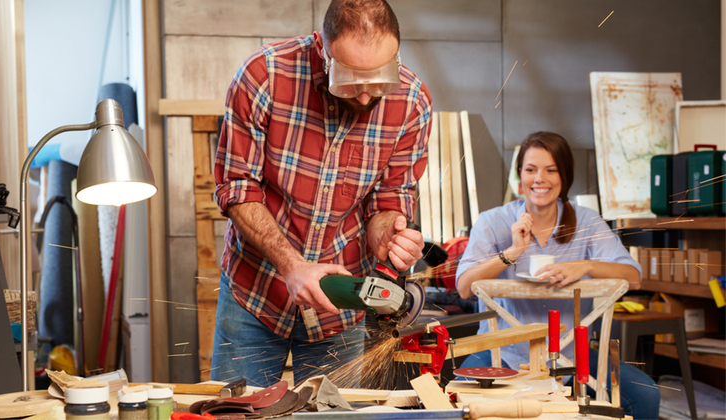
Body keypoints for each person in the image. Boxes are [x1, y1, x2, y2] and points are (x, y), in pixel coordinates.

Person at [211, 0, 432, 388]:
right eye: (351, 80)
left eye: (379, 78)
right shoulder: (264, 76)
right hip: (256, 293)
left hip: (340, 303)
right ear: (323, 52)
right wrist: (292, 266)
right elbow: (238, 188)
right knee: (233, 412)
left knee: (332, 415)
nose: (365, 96)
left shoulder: (412, 102)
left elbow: (389, 196)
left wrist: (387, 232)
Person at [454, 132, 660, 420]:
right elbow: (464, 287)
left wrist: (586, 265)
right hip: (502, 353)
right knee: (457, 399)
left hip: (574, 358)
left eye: (551, 170)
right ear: (520, 176)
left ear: (565, 176)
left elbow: (633, 277)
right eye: (531, 170)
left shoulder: (587, 221)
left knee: (646, 395)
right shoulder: (493, 221)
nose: (540, 179)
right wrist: (513, 252)